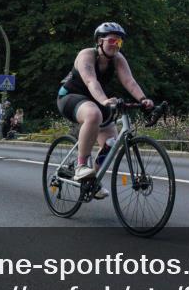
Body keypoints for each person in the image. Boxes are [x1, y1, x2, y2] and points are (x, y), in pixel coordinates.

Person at [56, 22, 154, 197]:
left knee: (111, 143)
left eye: (119, 42)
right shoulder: (86, 55)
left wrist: (143, 99)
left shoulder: (118, 59)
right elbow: (91, 81)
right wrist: (104, 101)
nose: (116, 45)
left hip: (98, 99)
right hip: (70, 97)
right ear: (100, 41)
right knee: (93, 113)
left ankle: (92, 180)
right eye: (112, 41)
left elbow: (129, 81)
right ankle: (81, 166)